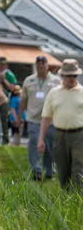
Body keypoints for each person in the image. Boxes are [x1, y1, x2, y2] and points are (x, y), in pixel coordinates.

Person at [37, 59, 83, 190]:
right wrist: (41, 139)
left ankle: (77, 199)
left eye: (74, 75)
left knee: (79, 168)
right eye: (69, 75)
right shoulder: (54, 93)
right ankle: (66, 196)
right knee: (62, 168)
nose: (71, 78)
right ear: (62, 75)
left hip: (79, 135)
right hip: (60, 134)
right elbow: (46, 117)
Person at [19, 55, 60, 181]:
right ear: (36, 65)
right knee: (34, 144)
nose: (41, 65)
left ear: (47, 65)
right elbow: (23, 100)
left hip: (51, 120)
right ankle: (36, 171)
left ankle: (49, 171)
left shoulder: (56, 81)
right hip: (33, 119)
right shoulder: (28, 80)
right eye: (38, 63)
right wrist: (19, 116)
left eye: (43, 63)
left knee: (50, 146)